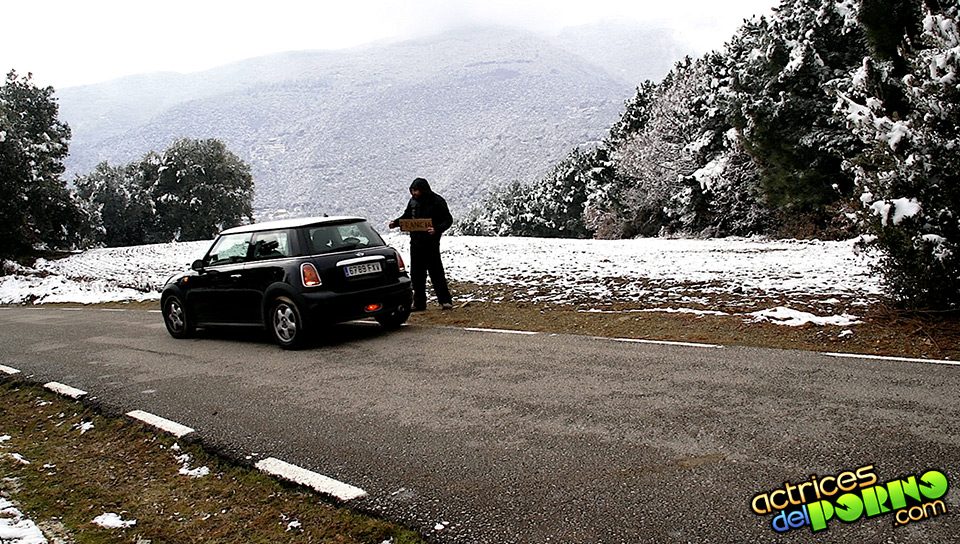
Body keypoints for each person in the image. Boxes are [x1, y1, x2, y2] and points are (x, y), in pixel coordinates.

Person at [389, 177, 453, 311]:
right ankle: (419, 303)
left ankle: (445, 301)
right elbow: (407, 216)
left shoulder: (437, 201)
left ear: (424, 190)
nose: (414, 193)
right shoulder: (412, 202)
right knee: (417, 274)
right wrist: (396, 223)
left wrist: (436, 229)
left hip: (431, 243)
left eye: (416, 190)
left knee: (436, 272)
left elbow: (448, 220)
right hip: (416, 243)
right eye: (412, 191)